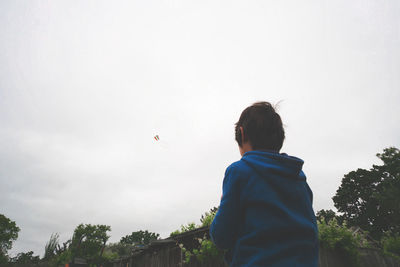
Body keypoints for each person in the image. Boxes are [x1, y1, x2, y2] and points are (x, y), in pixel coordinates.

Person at [210, 102, 318, 266]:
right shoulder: (298, 176)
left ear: (242, 133)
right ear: (279, 137)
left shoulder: (239, 171)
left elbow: (221, 237)